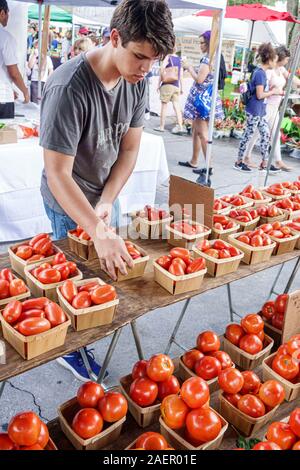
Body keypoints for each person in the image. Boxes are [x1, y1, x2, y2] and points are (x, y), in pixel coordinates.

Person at [39, 0, 175, 381]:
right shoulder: (69, 87)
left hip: (103, 196)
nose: (146, 68)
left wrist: (108, 202)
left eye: (153, 60)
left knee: (101, 275)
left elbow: (129, 150)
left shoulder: (137, 81)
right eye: (139, 57)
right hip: (66, 197)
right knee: (72, 282)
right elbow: (57, 174)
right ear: (115, 37)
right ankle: (70, 349)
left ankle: (92, 327)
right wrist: (97, 228)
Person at [244, 45, 300, 172]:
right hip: (266, 106)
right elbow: (264, 90)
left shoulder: (281, 69)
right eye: (286, 59)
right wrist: (278, 92)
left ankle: (278, 161)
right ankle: (246, 156)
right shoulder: (268, 71)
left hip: (275, 107)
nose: (287, 61)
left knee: (275, 133)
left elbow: (291, 78)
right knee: (257, 133)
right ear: (280, 58)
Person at [178, 31, 224, 179]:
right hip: (207, 99)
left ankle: (208, 166)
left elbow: (199, 79)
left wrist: (188, 67)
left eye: (202, 43)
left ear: (209, 43)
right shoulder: (216, 57)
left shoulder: (207, 59)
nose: (200, 45)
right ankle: (194, 160)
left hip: (201, 101)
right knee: (197, 132)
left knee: (202, 133)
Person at [234, 43, 282, 173]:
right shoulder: (260, 74)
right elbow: (260, 95)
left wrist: (270, 90)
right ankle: (239, 161)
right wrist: (273, 92)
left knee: (265, 134)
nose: (275, 64)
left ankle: (265, 163)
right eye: (275, 60)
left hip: (259, 110)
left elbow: (260, 92)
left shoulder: (260, 72)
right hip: (255, 109)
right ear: (270, 59)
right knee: (248, 135)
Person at [0, 0, 29, 119]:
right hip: (2, 98)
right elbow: (13, 72)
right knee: (4, 135)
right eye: (8, 13)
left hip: (4, 92)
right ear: (2, 13)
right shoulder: (5, 37)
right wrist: (25, 91)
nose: (8, 17)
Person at [154, 48, 185, 134]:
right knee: (176, 106)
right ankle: (180, 126)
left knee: (164, 105)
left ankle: (161, 126)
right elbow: (181, 74)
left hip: (167, 85)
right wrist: (182, 87)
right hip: (176, 86)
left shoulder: (168, 57)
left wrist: (158, 84)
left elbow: (161, 69)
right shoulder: (179, 59)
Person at [28, 40, 53, 104]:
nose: (37, 48)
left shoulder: (47, 58)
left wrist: (49, 80)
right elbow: (30, 66)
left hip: (44, 81)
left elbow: (51, 70)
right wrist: (35, 55)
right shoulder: (33, 56)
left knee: (43, 101)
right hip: (35, 80)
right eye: (36, 46)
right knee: (34, 101)